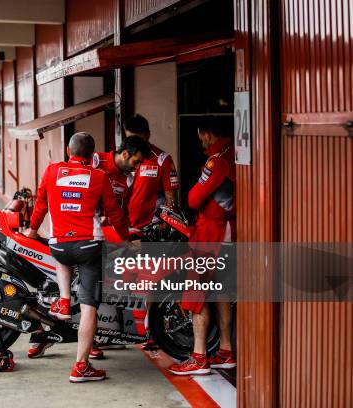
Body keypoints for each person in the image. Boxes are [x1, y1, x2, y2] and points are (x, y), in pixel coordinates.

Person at [27, 135, 150, 360]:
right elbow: (115, 214)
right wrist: (126, 241)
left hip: (60, 246)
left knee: (63, 261)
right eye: (136, 162)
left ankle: (63, 301)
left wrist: (32, 230)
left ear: (67, 150)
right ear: (93, 155)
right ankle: (81, 363)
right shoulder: (100, 175)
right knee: (89, 305)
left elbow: (40, 205)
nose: (137, 167)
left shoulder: (52, 171)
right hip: (90, 246)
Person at [169, 119, 236, 375]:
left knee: (196, 295)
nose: (201, 142)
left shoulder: (217, 160)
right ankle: (226, 351)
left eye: (201, 137)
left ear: (206, 133)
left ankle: (199, 357)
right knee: (222, 294)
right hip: (231, 236)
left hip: (212, 235)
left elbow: (193, 198)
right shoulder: (236, 153)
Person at [124, 114, 180, 351]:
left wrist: (163, 226)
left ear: (147, 136)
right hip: (125, 229)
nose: (132, 144)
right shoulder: (124, 157)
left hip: (150, 232)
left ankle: (150, 331)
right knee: (123, 281)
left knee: (148, 283)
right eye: (129, 139)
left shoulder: (162, 160)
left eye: (136, 139)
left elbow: (171, 199)